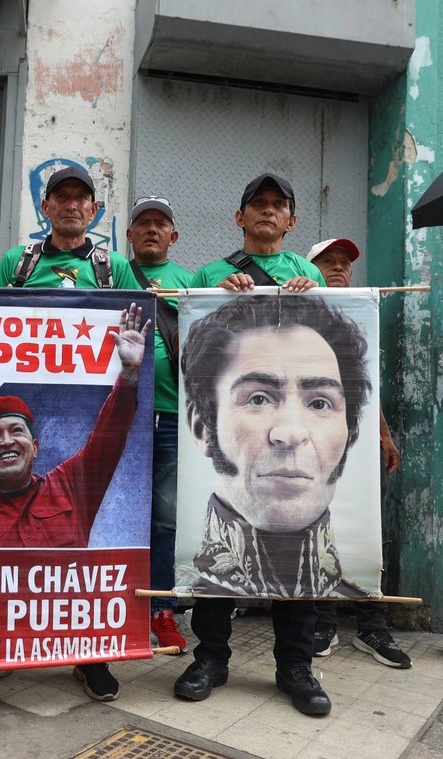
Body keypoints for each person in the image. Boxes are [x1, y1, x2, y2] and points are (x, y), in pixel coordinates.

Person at [175, 293, 374, 716]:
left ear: (349, 433)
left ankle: (296, 667)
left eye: (320, 403)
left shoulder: (350, 582)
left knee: (304, 588)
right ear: (201, 425)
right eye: (259, 398)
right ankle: (210, 657)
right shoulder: (185, 566)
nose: (289, 433)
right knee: (211, 582)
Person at [0, 305, 148, 700]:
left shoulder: (71, 483)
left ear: (34, 448)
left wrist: (129, 374)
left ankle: (90, 658)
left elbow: (111, 433)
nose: (6, 441)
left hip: (75, 619)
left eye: (16, 431)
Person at [304, 237, 411, 669]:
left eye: (344, 263)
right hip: (316, 445)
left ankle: (371, 624)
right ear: (310, 269)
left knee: (368, 530)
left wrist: (383, 435)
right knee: (322, 527)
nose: (338, 268)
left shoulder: (360, 314)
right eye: (327, 262)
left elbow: (367, 387)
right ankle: (324, 621)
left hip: (358, 442)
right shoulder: (298, 314)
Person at [124, 196, 192, 653]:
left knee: (165, 520)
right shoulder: (110, 272)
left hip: (171, 417)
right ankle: (111, 605)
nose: (151, 229)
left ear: (173, 236)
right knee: (113, 514)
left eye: (160, 223)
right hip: (120, 416)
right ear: (128, 235)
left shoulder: (193, 281)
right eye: (142, 223)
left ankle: (160, 610)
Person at [0, 165, 135, 290]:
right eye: (62, 196)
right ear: (45, 208)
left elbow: (144, 319)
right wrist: (4, 304)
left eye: (80, 197)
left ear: (93, 210)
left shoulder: (116, 267)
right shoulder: (15, 261)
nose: (71, 206)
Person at [191, 172, 324, 292]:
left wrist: (315, 299)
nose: (268, 210)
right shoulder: (207, 275)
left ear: (291, 222)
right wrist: (215, 298)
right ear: (240, 218)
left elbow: (328, 319)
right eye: (259, 202)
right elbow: (192, 318)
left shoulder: (310, 274)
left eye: (279, 204)